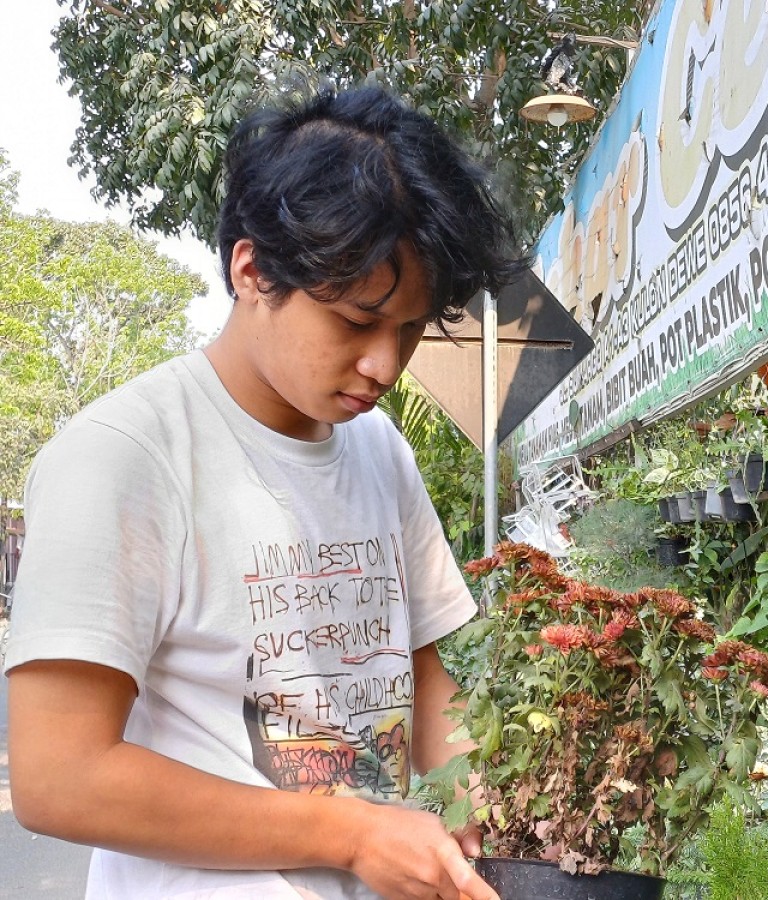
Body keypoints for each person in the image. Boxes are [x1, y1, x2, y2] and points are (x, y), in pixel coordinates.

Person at [5, 85, 526, 900]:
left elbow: (424, 674)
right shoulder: (123, 456)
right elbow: (57, 775)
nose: (387, 367)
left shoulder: (378, 449)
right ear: (251, 271)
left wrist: (474, 809)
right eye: (357, 321)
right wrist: (350, 833)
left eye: (412, 328)